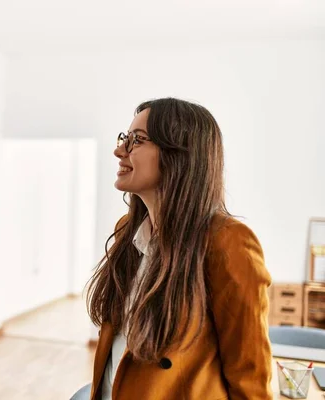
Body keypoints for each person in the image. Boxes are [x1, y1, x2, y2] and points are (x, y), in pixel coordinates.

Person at [85, 98, 272, 399]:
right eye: (124, 139)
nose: (120, 151)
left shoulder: (228, 242)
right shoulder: (127, 231)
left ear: (179, 154)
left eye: (137, 140)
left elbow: (250, 378)